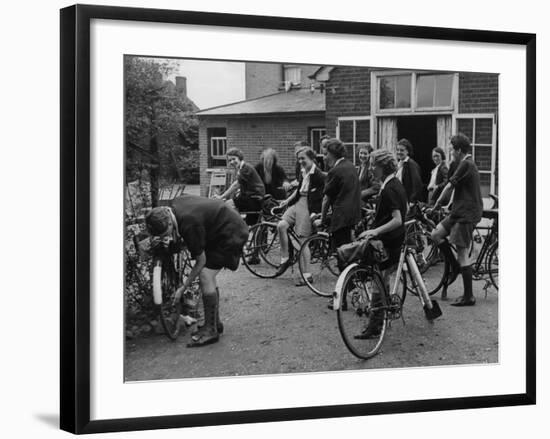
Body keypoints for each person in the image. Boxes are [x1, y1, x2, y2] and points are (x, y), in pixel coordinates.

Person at [145, 195, 248, 347]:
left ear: (168, 222)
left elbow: (201, 261)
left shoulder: (189, 224)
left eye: (165, 234)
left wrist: (183, 287)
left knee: (206, 274)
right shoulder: (175, 206)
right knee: (209, 276)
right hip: (222, 226)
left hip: (231, 233)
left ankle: (211, 331)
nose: (165, 237)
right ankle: (214, 323)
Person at [355, 149, 408, 338]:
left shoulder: (390, 188)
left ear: (382, 166)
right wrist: (375, 215)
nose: (370, 169)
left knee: (378, 280)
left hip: (390, 242)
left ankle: (375, 326)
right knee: (380, 278)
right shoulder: (394, 183)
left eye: (373, 165)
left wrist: (375, 230)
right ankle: (380, 317)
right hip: (393, 240)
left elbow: (397, 219)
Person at [431, 133, 483, 307]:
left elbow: (448, 186)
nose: (451, 152)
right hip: (458, 210)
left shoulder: (466, 164)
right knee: (436, 234)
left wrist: (436, 205)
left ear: (459, 150)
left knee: (462, 252)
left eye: (452, 149)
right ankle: (454, 266)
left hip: (466, 214)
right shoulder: (463, 163)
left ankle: (469, 296)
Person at [317, 138, 361, 309]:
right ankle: (348, 293)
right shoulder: (350, 166)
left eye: (326, 153)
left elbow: (327, 198)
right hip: (353, 215)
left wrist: (321, 218)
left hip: (341, 217)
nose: (324, 157)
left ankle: (342, 298)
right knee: (348, 254)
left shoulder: (335, 171)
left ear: (333, 154)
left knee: (342, 258)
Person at [275, 147, 325, 285]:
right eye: (299, 159)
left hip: (308, 206)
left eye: (303, 158)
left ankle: (307, 275)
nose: (301, 161)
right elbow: (299, 189)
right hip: (298, 203)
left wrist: (317, 213)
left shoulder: (319, 175)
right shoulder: (303, 171)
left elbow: (324, 196)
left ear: (311, 158)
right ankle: (285, 259)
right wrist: (288, 200)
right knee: (281, 225)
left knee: (303, 241)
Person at [216, 148, 265, 225]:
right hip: (250, 198)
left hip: (254, 199)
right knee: (230, 205)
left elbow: (236, 185)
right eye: (229, 160)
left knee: (226, 206)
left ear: (239, 158)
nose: (232, 162)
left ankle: (236, 226)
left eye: (234, 159)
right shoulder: (241, 168)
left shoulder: (246, 168)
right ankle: (238, 224)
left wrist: (221, 196)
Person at [395, 138, 423, 203]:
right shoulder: (398, 164)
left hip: (407, 200)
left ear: (407, 151)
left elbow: (417, 184)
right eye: (397, 150)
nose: (399, 152)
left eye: (402, 150)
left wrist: (412, 201)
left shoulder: (411, 164)